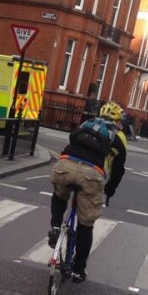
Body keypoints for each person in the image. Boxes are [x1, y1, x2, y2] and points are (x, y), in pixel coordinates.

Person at [48, 102, 127, 283]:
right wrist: (109, 191)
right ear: (118, 121)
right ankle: (78, 270)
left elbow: (72, 139)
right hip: (91, 175)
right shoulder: (119, 136)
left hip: (65, 165)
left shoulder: (87, 124)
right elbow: (119, 170)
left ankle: (54, 227)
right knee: (86, 225)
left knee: (60, 195)